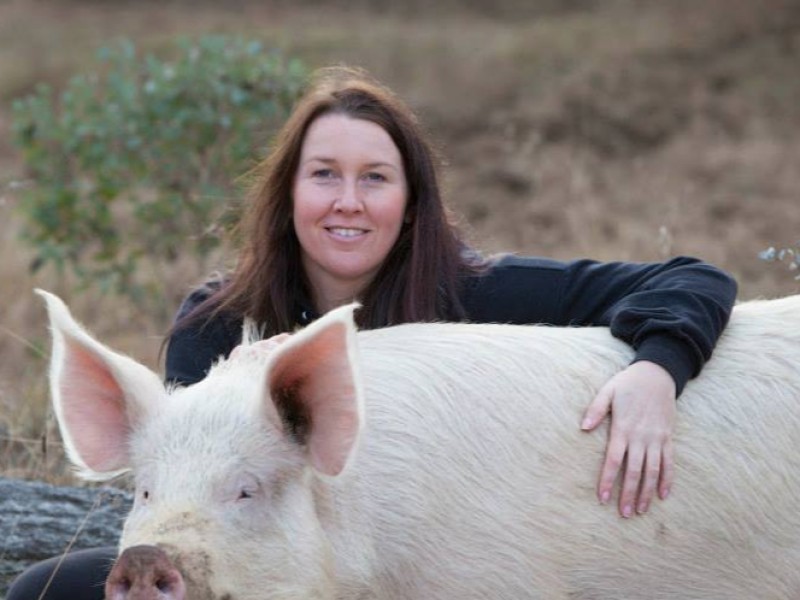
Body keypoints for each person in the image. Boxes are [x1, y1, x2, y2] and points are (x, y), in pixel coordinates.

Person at [8, 65, 737, 599]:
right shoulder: (218, 318)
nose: (348, 202)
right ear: (290, 194)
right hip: (244, 568)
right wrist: (238, 382)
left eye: (376, 179)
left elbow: (693, 280)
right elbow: (195, 491)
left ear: (412, 204)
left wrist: (657, 367)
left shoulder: (477, 292)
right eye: (324, 175)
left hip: (425, 571)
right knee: (44, 591)